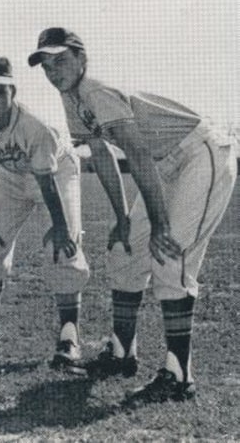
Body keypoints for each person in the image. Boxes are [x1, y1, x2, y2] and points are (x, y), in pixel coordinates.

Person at [29, 27, 237, 405]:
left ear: (81, 57)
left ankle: (178, 376)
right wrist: (123, 217)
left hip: (201, 154)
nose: (53, 71)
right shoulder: (71, 96)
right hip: (167, 166)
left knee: (169, 256)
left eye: (60, 60)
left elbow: (137, 154)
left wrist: (159, 224)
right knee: (125, 252)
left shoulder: (95, 89)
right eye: (45, 64)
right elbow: (103, 156)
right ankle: (122, 353)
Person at [0, 56, 89, 372]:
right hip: (8, 176)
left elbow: (46, 182)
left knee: (62, 248)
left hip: (57, 174)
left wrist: (59, 226)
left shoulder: (36, 125)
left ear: (13, 91)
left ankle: (70, 336)